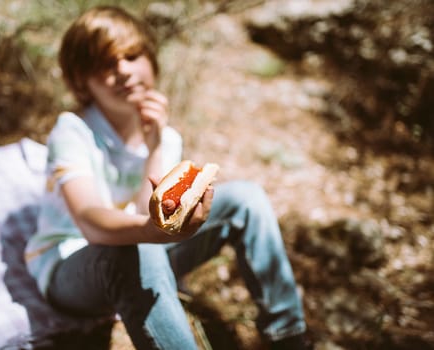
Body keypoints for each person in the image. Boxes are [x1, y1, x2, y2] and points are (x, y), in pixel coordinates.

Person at [25, 5, 308, 349]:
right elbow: (89, 220)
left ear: (151, 61)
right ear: (81, 80)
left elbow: (152, 212)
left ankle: (288, 337)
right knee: (135, 250)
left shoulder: (166, 137)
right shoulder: (74, 130)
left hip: (145, 251)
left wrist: (156, 148)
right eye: (105, 64)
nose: (124, 71)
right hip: (74, 270)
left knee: (246, 198)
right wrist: (148, 231)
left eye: (132, 56)